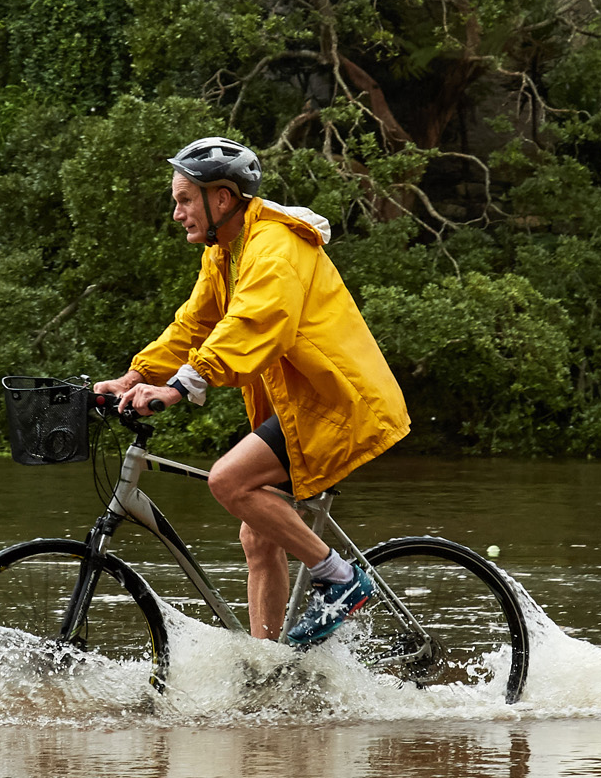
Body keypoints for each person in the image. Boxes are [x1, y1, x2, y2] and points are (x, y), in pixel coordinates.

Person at [94, 137, 409, 647]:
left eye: (184, 199)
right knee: (257, 536)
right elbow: (194, 326)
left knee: (229, 482)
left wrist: (180, 386)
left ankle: (340, 579)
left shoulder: (274, 246)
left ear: (222, 199)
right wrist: (134, 377)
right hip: (301, 403)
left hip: (335, 401)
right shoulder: (226, 253)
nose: (176, 213)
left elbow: (255, 322)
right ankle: (269, 666)